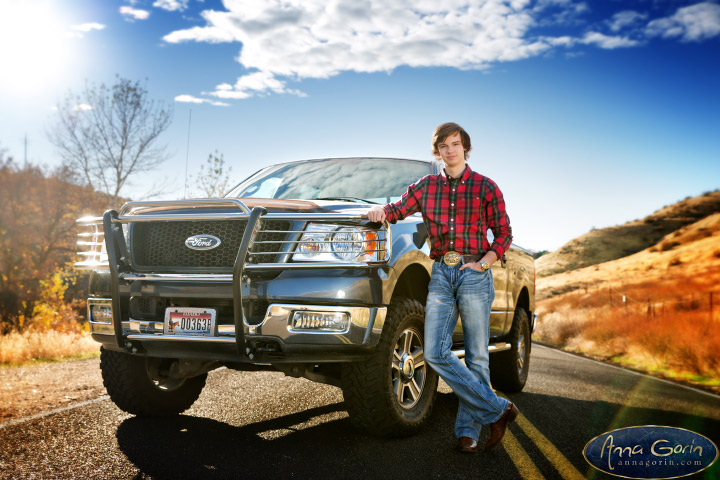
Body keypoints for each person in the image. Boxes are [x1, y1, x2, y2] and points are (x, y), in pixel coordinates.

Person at [366, 122, 518, 453]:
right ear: (437, 151)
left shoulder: (485, 187)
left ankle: (467, 431)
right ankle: (498, 409)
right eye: (444, 146)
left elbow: (504, 233)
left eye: (455, 144)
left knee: (478, 356)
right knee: (435, 352)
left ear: (465, 148)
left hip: (475, 272)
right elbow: (397, 210)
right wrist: (380, 211)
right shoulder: (426, 186)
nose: (450, 150)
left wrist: (484, 264)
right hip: (441, 273)